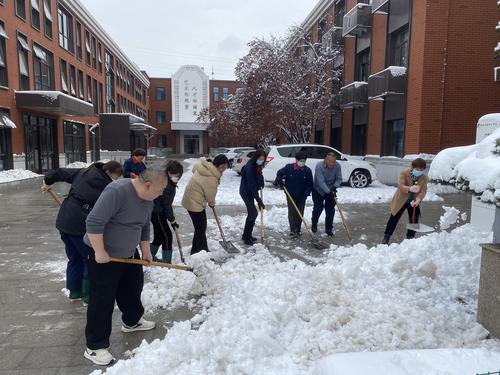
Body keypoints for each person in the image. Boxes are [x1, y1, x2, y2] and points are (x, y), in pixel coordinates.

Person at [83, 167, 168, 366]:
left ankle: (132, 322)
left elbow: (144, 224)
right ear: (148, 185)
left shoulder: (147, 198)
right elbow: (93, 222)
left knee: (132, 287)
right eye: (160, 189)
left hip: (129, 254)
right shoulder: (116, 191)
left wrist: (145, 248)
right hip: (104, 254)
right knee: (102, 299)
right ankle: (94, 346)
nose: (161, 193)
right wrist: (100, 251)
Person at [43, 161, 123, 304]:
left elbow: (59, 172)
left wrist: (48, 181)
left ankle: (75, 292)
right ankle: (88, 296)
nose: (116, 180)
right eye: (116, 177)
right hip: (81, 227)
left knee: (74, 259)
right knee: (89, 260)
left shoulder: (83, 172)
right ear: (110, 173)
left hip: (64, 222)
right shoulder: (107, 187)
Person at [181, 155, 228, 254]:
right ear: (217, 165)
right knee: (201, 229)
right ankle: (203, 252)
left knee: (200, 227)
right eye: (222, 166)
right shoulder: (212, 177)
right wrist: (211, 203)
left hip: (192, 199)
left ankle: (195, 250)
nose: (224, 169)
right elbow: (210, 195)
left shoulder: (205, 167)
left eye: (225, 166)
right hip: (194, 202)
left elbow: (194, 170)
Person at [382, 158, 428, 245]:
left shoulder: (424, 178)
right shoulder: (404, 173)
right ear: (412, 167)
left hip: (414, 202)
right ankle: (386, 236)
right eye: (417, 169)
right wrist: (410, 188)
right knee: (394, 218)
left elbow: (423, 190)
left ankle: (410, 238)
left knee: (414, 220)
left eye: (421, 170)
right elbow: (400, 185)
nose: (419, 171)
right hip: (401, 200)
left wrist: (418, 199)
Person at [150, 160, 184, 263]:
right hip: (157, 212)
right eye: (173, 175)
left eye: (178, 175)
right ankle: (167, 263)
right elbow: (166, 205)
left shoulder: (168, 181)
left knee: (159, 236)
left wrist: (171, 219)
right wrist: (172, 220)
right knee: (167, 236)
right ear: (168, 172)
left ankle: (148, 256)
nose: (175, 177)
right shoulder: (166, 184)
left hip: (157, 211)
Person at [275, 151, 313, 237]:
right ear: (296, 160)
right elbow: (279, 173)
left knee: (300, 212)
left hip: (302, 195)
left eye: (304, 161)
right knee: (292, 212)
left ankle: (298, 229)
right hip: (290, 194)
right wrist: (280, 182)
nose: (302, 163)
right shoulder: (289, 168)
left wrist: (306, 193)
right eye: (301, 161)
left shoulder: (307, 171)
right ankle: (292, 229)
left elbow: (310, 184)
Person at [311, 152, 342, 237]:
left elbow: (339, 179)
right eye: (331, 162)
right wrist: (328, 191)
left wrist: (334, 187)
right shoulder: (319, 166)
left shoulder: (337, 166)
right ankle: (314, 224)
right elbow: (320, 182)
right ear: (326, 160)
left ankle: (328, 229)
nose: (332, 164)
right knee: (318, 208)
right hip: (318, 190)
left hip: (331, 190)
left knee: (330, 210)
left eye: (334, 162)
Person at [239, 150, 266, 245]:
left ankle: (247, 235)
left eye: (263, 159)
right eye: (260, 159)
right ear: (255, 158)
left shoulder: (256, 166)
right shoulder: (249, 167)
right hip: (246, 192)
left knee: (252, 213)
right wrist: (258, 200)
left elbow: (258, 177)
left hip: (251, 191)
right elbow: (251, 186)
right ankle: (246, 237)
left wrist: (261, 181)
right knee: (253, 213)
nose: (261, 161)